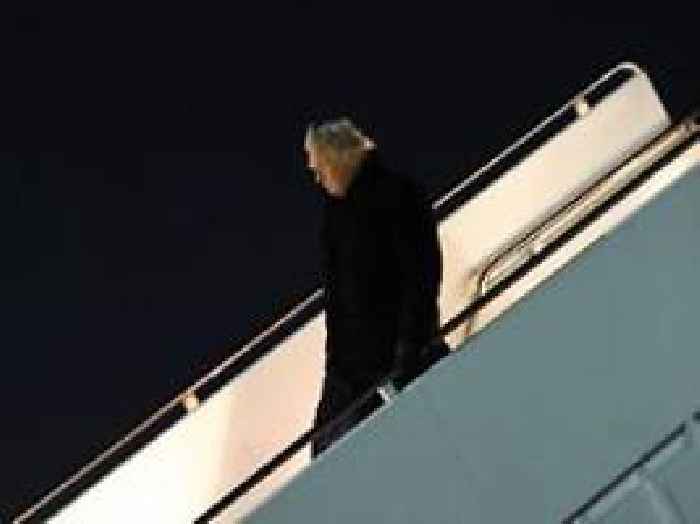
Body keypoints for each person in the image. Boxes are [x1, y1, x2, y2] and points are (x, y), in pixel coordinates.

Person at [304, 117, 448, 457]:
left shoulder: (396, 196)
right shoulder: (335, 218)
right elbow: (337, 302)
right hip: (352, 369)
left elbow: (421, 275)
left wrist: (409, 347)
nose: (317, 179)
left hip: (393, 356)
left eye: (319, 168)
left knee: (370, 450)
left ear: (338, 158)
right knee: (328, 452)